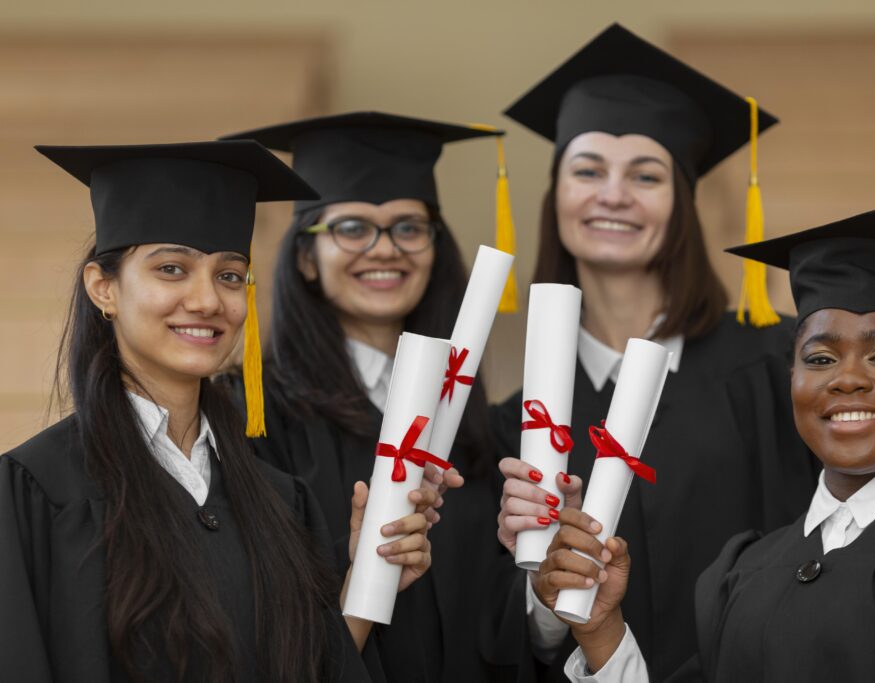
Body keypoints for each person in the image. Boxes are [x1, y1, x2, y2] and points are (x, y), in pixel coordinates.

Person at [0, 141, 441, 682]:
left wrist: (367, 577)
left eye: (230, 275)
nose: (208, 301)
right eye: (171, 268)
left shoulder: (279, 499)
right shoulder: (37, 492)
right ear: (104, 288)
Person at [539, 210, 875, 682]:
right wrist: (603, 633)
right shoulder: (741, 572)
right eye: (819, 358)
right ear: (791, 378)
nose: (847, 378)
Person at [491, 23, 819, 680]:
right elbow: (497, 642)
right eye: (587, 170)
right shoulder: (513, 422)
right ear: (557, 193)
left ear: (683, 203)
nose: (613, 194)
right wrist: (547, 599)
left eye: (645, 174)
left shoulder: (774, 365)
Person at [219, 113, 520, 681]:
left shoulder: (475, 423)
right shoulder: (254, 421)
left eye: (409, 227)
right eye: (352, 228)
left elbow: (497, 610)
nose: (386, 249)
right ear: (306, 257)